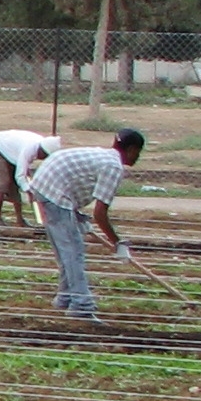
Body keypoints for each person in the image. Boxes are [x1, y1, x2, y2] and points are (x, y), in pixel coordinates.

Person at [27, 128, 146, 321]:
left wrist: (76, 215)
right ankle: (82, 306)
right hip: (53, 192)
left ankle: (65, 298)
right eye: (138, 152)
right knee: (73, 252)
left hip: (44, 185)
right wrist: (118, 243)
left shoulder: (105, 156)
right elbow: (100, 213)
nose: (138, 157)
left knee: (67, 251)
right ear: (132, 149)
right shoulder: (113, 167)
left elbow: (73, 177)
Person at [0, 127, 60, 226]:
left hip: (12, 151)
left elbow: (23, 174)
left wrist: (31, 187)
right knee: (3, 184)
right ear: (41, 150)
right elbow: (20, 175)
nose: (43, 159)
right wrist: (29, 191)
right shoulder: (29, 149)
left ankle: (20, 220)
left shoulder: (39, 146)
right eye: (44, 156)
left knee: (15, 186)